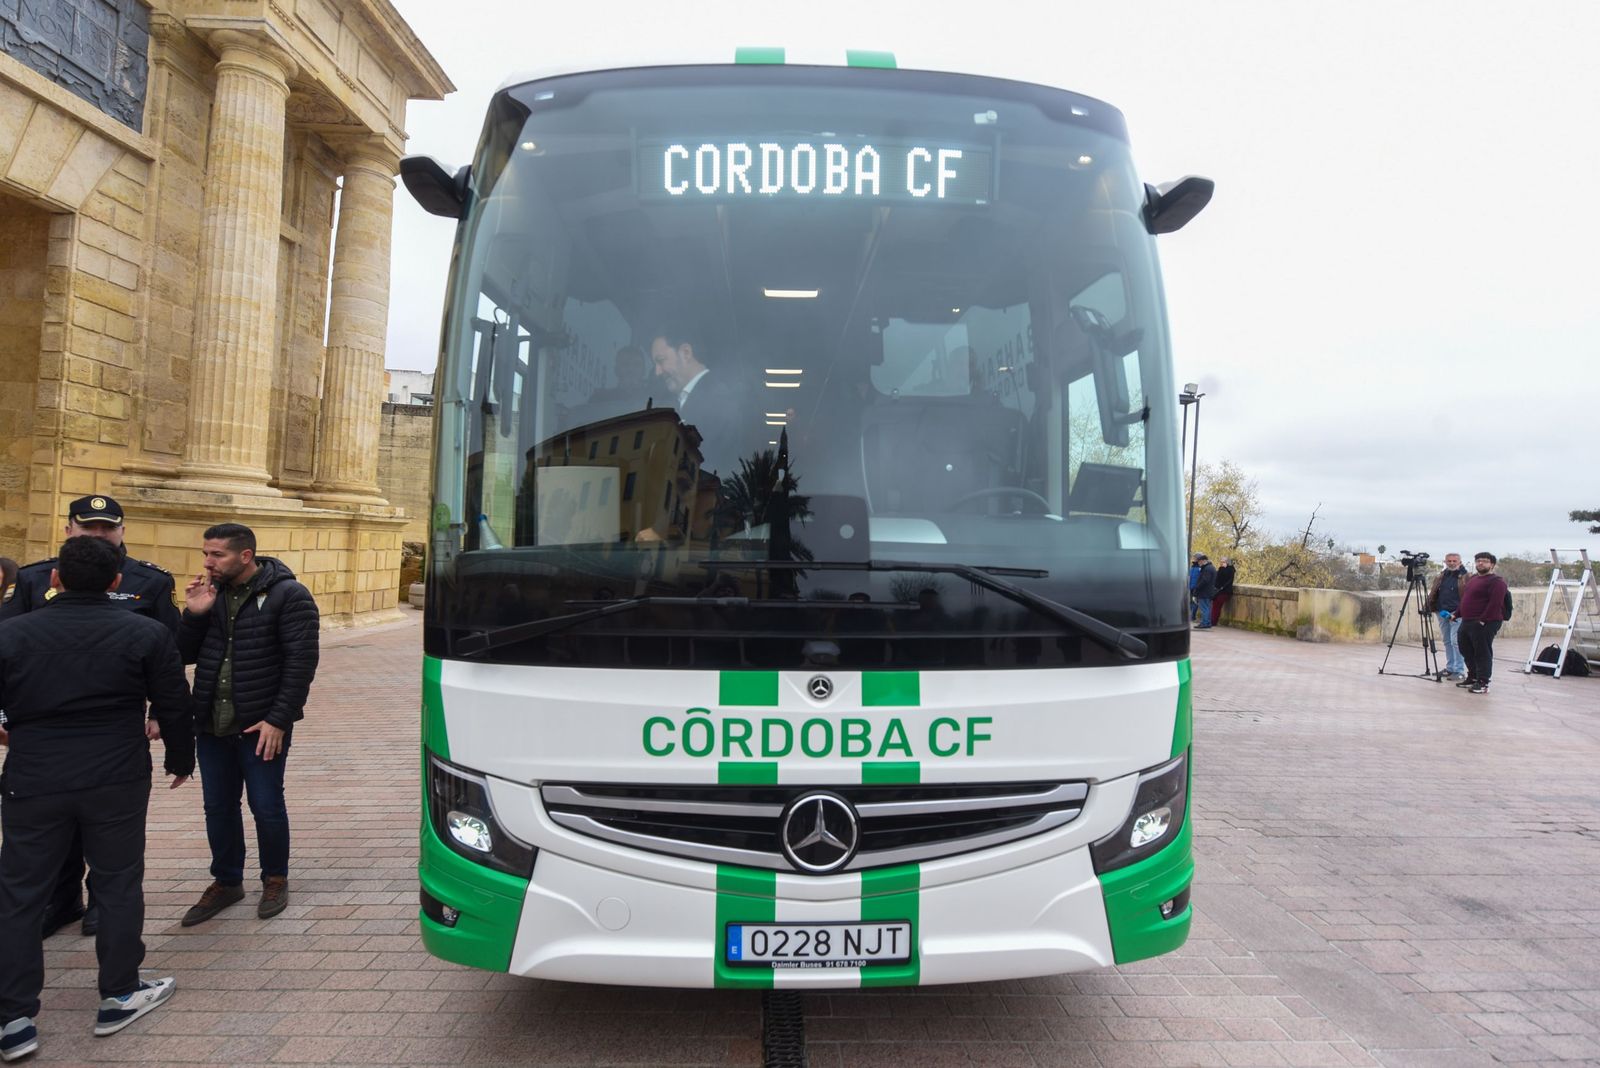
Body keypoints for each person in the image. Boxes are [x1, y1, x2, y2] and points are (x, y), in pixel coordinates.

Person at [0, 536, 194, 1060]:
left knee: (19, 892)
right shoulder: (146, 632)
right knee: (117, 883)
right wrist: (181, 758)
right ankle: (119, 994)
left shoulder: (11, 633)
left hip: (33, 777)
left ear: (55, 578)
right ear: (116, 583)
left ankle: (13, 1017)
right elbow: (174, 701)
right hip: (115, 776)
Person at [0, 496, 180, 940]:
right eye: (89, 527)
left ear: (122, 531)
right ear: (68, 530)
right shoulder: (31, 578)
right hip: (39, 729)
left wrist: (161, 714)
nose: (99, 534)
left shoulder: (150, 581)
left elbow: (167, 654)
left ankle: (102, 903)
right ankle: (62, 902)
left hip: (112, 729)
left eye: (108, 528)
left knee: (106, 832)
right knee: (58, 831)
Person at [177, 523, 320, 927]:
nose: (207, 562)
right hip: (211, 721)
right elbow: (180, 653)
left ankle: (275, 878)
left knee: (266, 805)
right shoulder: (211, 594)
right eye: (206, 553)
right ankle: (226, 882)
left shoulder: (288, 595)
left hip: (261, 724)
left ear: (245, 556)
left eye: (216, 555)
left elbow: (301, 663)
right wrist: (193, 614)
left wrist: (279, 719)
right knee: (217, 807)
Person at [649, 323, 749, 469]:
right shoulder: (673, 401)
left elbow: (711, 465)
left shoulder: (720, 401)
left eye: (661, 360)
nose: (657, 372)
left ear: (686, 353)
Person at [1455, 551, 1513, 695]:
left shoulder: (1497, 582)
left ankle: (1483, 682)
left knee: (1482, 652)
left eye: (1485, 561)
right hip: (1468, 621)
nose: (1481, 563)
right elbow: (1466, 599)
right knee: (1465, 649)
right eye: (1478, 561)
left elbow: (1495, 603)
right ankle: (1473, 676)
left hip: (1486, 622)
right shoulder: (1473, 579)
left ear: (1492, 564)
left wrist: (1483, 620)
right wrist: (1456, 614)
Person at [1427, 552, 1469, 679]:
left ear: (1460, 562)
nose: (1451, 563)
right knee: (1447, 641)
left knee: (1456, 641)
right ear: (1445, 562)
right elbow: (1434, 591)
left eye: (1454, 561)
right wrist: (1429, 606)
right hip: (1442, 612)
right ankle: (1450, 668)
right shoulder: (1442, 575)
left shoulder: (1466, 577)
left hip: (1457, 613)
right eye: (1449, 561)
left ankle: (1459, 670)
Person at [1192, 554, 1218, 629]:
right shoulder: (1210, 567)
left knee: (1204, 608)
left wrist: (1197, 587)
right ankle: (1207, 622)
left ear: (1203, 561)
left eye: (1199, 562)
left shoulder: (1207, 568)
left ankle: (1205, 623)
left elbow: (1204, 580)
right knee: (1207, 608)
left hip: (1204, 592)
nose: (1198, 563)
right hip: (1208, 591)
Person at [1210, 557, 1236, 626]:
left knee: (1216, 606)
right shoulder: (1231, 570)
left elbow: (1221, 579)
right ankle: (1213, 620)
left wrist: (1221, 569)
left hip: (1222, 591)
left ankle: (1213, 621)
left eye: (1223, 562)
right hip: (1223, 591)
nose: (1221, 563)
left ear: (1227, 562)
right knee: (1215, 606)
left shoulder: (1226, 570)